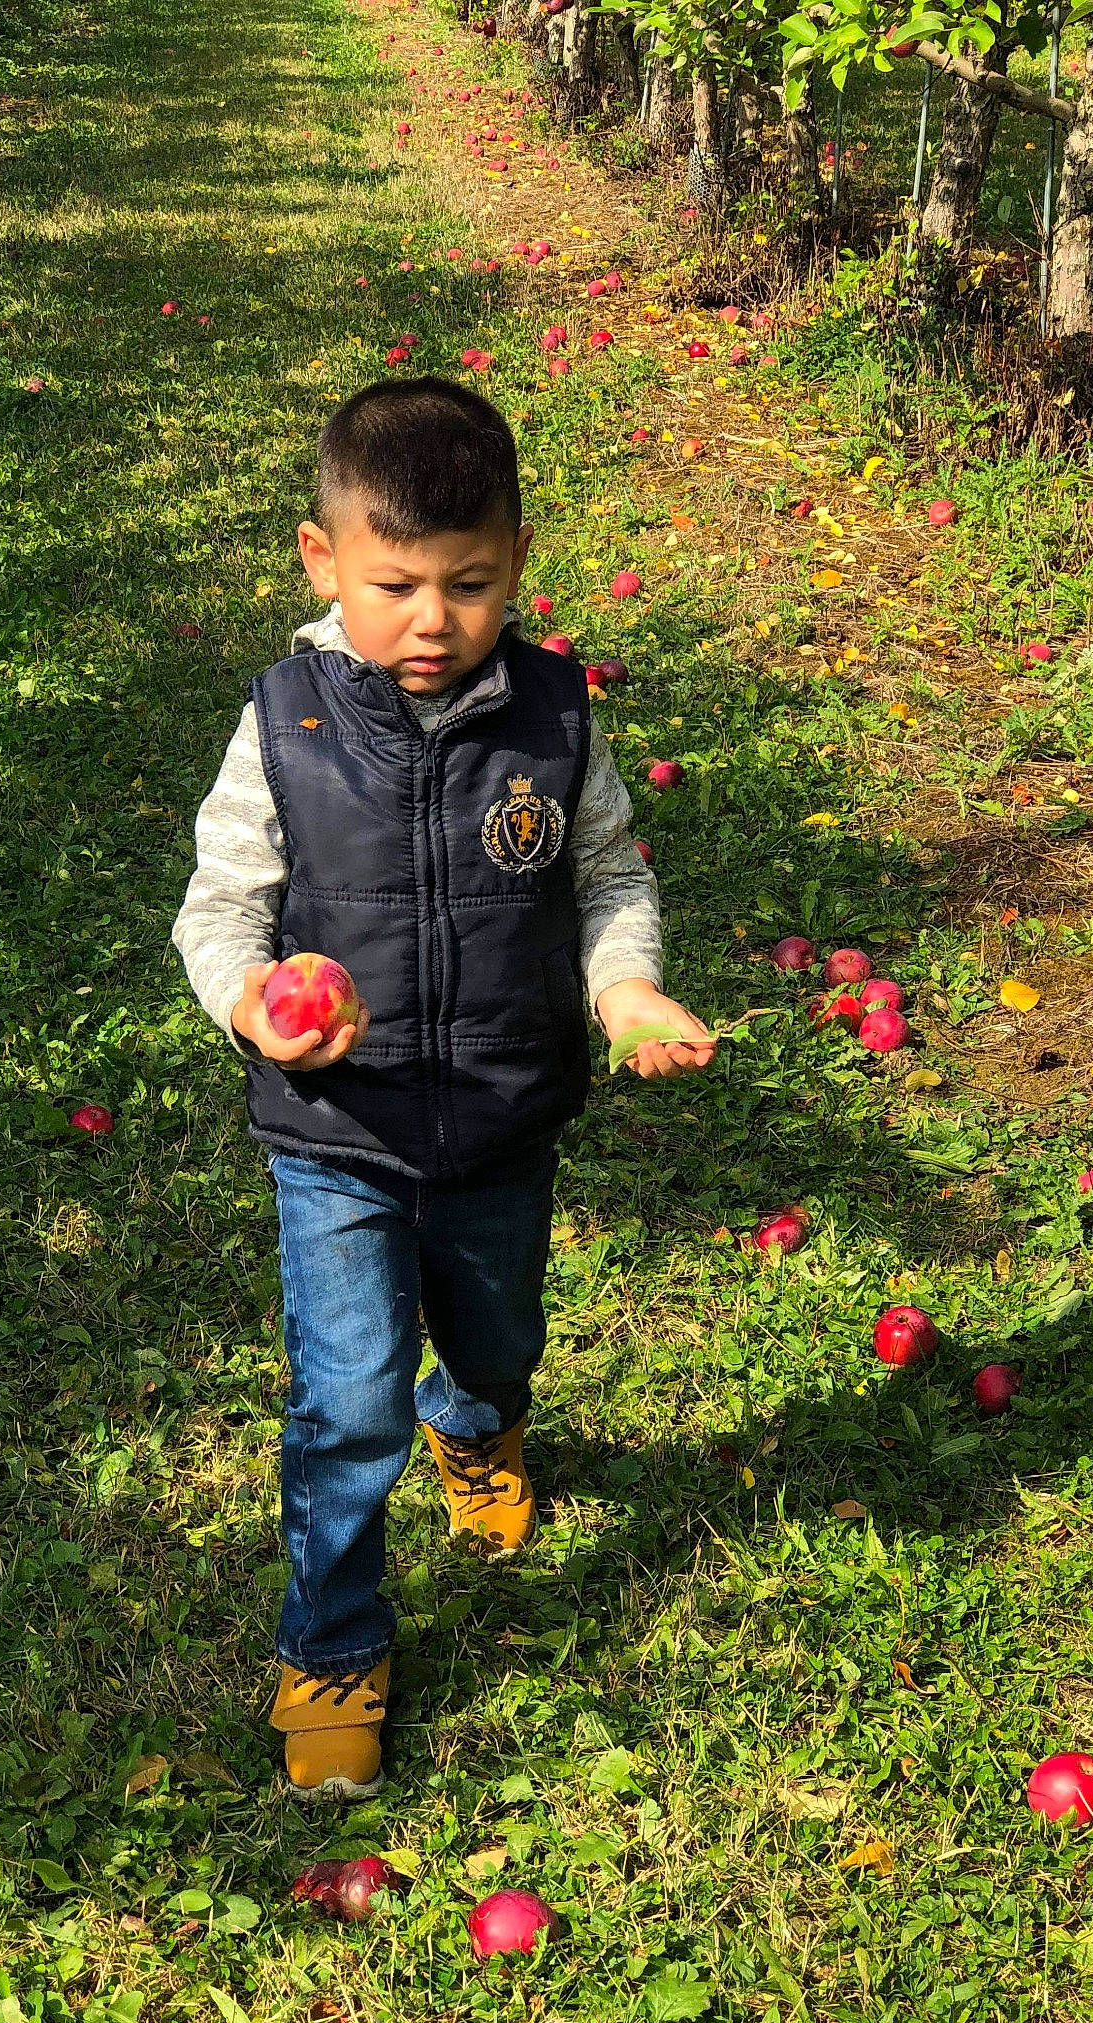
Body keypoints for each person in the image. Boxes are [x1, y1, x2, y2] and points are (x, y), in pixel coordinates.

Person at [173, 377, 715, 1799]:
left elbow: (606, 878)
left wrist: (624, 988)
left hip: (499, 1116)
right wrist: (247, 1000)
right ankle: (334, 1640)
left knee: (493, 1339)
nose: (433, 619)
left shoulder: (552, 714)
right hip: (334, 1136)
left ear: (519, 561)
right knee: (346, 1404)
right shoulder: (284, 721)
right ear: (320, 560)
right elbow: (219, 908)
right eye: (395, 583)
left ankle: (479, 1425)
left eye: (470, 584)